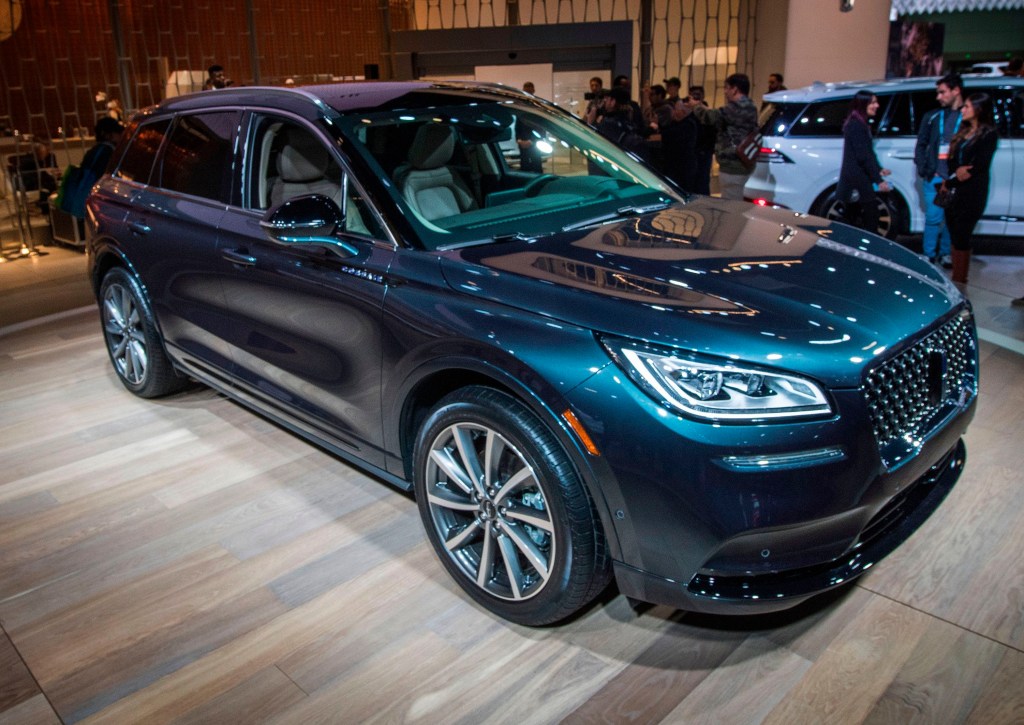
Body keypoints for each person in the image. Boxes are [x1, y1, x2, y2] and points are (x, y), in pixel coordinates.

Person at [940, 92, 998, 285]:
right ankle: (956, 277)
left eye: (967, 107)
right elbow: (952, 161)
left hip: (972, 192)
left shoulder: (989, 134)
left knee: (962, 235)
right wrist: (956, 171)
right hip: (955, 190)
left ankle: (960, 280)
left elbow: (977, 166)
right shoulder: (963, 132)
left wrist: (952, 180)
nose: (962, 110)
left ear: (979, 109)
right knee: (954, 233)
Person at [914, 72, 963, 267]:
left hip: (954, 178)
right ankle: (928, 255)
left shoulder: (966, 117)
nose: (939, 97)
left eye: (942, 92)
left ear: (956, 90)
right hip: (935, 176)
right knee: (933, 218)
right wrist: (925, 169)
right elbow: (921, 145)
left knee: (951, 219)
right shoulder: (933, 116)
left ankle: (945, 253)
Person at [689, 73, 758, 200]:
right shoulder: (750, 106)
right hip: (744, 163)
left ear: (735, 89)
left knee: (732, 206)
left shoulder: (736, 107)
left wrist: (696, 106)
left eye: (727, 88)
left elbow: (709, 117)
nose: (725, 92)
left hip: (733, 166)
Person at [837, 90, 891, 233]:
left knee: (854, 217)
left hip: (858, 178)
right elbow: (863, 156)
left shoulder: (860, 123)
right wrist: (879, 180)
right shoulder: (856, 125)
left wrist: (879, 169)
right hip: (857, 180)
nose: (877, 105)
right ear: (863, 104)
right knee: (868, 217)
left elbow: (867, 153)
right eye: (872, 102)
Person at [62, 117, 125, 218]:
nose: (121, 136)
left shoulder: (93, 151)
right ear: (109, 135)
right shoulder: (109, 152)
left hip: (88, 203)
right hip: (101, 205)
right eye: (118, 133)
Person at [7, 141, 59, 213]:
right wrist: (46, 172)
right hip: (28, 184)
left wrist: (54, 173)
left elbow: (52, 170)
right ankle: (48, 210)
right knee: (51, 187)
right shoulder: (29, 160)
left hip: (42, 181)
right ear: (37, 152)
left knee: (56, 185)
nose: (46, 152)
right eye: (44, 151)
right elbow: (33, 175)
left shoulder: (49, 157)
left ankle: (52, 208)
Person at [689, 85, 714, 195]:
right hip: (692, 150)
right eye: (693, 95)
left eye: (698, 95)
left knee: (703, 180)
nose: (696, 97)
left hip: (704, 150)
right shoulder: (689, 111)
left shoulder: (707, 112)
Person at [516, 82, 543, 172]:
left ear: (533, 91)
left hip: (534, 143)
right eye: (525, 91)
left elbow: (541, 126)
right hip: (523, 142)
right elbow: (518, 124)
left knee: (536, 166)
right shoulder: (521, 105)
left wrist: (531, 141)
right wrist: (519, 140)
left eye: (529, 91)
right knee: (524, 167)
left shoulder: (538, 106)